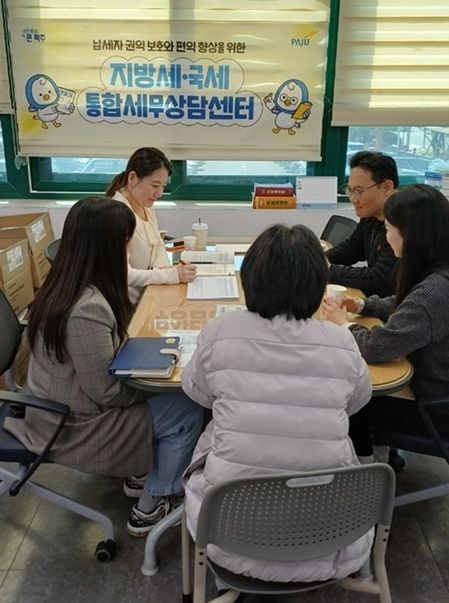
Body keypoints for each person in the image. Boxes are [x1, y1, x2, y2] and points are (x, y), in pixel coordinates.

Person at [181, 224, 373, 584]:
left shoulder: (220, 331)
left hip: (228, 532)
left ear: (249, 279)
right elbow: (357, 401)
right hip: (330, 535)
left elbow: (197, 392)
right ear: (317, 286)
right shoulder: (342, 342)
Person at [5, 196, 203, 536]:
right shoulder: (86, 309)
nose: (127, 251)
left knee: (170, 391)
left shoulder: (65, 283)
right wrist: (155, 383)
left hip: (60, 404)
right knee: (186, 408)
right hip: (71, 425)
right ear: (106, 248)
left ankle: (142, 473)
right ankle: (151, 506)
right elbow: (107, 392)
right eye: (125, 243)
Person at [321, 184, 449, 460]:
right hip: (436, 391)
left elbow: (376, 347)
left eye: (389, 229)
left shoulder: (435, 291)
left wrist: (343, 325)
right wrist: (364, 305)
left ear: (412, 235)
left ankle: (367, 471)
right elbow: (409, 304)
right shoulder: (439, 273)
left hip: (435, 410)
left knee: (349, 395)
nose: (387, 238)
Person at [106, 147, 196, 303]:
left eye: (163, 187)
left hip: (150, 292)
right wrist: (171, 275)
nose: (159, 193)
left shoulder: (145, 204)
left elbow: (157, 244)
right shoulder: (115, 214)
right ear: (132, 178)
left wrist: (167, 270)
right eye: (155, 185)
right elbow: (124, 274)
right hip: (128, 303)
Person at [326, 151, 399, 297]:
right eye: (350, 190)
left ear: (387, 187)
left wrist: (327, 270)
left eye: (359, 191)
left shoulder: (403, 223)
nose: (353, 199)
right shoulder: (371, 215)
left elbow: (379, 278)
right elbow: (352, 249)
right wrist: (315, 259)